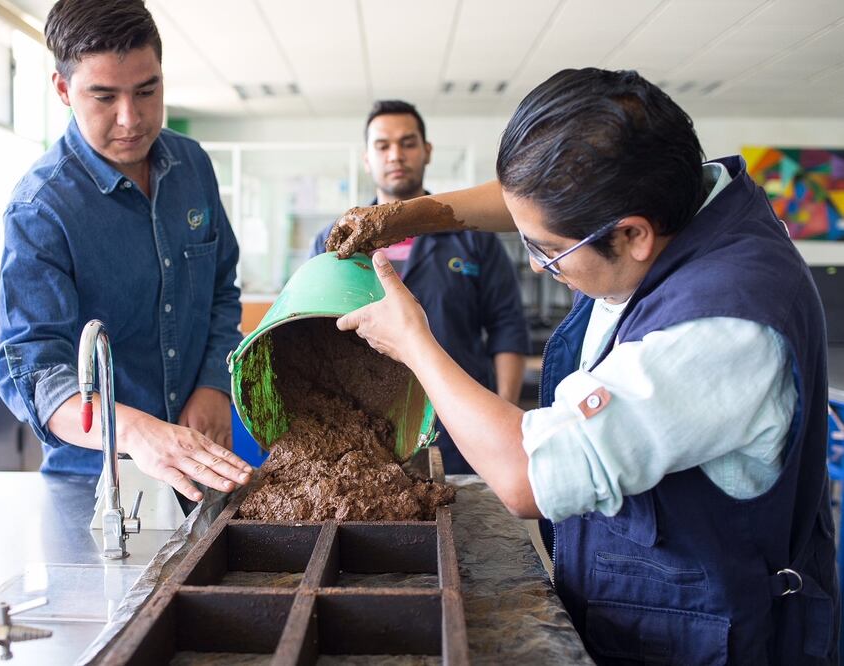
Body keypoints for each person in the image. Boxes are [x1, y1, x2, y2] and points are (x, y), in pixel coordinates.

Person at [329, 68, 837, 664]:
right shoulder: (680, 193)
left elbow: (526, 477)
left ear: (632, 236)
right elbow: (532, 202)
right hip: (639, 603)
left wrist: (415, 343)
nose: (542, 267)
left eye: (548, 252)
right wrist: (405, 217)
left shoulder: (721, 332)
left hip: (709, 633)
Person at [0, 0, 251, 502]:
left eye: (147, 91)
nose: (131, 118)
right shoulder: (40, 209)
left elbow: (221, 288)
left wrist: (215, 383)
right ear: (64, 90)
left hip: (199, 465)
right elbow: (36, 373)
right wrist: (132, 431)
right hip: (95, 484)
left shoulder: (192, 165)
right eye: (104, 96)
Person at [309, 100, 530, 474]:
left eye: (408, 143)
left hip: (460, 421)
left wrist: (501, 415)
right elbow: (310, 332)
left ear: (426, 152)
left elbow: (507, 327)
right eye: (383, 146)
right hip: (365, 425)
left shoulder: (473, 236)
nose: (396, 155)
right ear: (367, 158)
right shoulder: (333, 242)